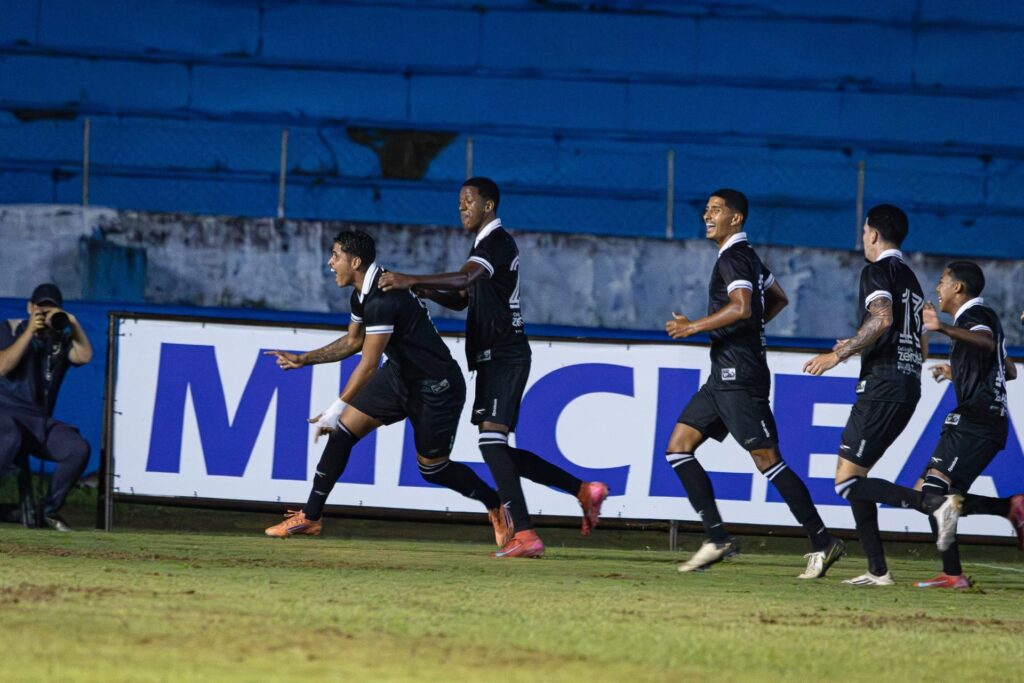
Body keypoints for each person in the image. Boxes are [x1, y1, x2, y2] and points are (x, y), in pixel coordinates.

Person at [378, 177, 608, 559]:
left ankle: (526, 534)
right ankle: (583, 490)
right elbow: (464, 297)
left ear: (489, 205)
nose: (462, 207)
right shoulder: (483, 247)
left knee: (491, 442)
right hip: (492, 355)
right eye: (459, 202)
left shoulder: (496, 243)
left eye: (468, 201)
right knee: (497, 450)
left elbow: (465, 278)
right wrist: (420, 290)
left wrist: (411, 277)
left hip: (505, 353)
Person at [263, 231, 509, 544]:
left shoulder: (382, 297)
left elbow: (367, 365)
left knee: (433, 470)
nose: (330, 263)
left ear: (354, 261)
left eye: (335, 256)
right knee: (342, 434)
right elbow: (354, 341)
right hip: (399, 376)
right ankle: (311, 517)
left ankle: (496, 504)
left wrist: (334, 409)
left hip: (437, 386)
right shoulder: (362, 294)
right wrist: (304, 359)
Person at [666, 189, 844, 577]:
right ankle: (717, 537)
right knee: (678, 448)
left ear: (737, 219)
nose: (706, 215)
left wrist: (693, 326)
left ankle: (822, 540)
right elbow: (776, 298)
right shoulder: (747, 258)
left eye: (716, 210)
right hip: (723, 375)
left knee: (767, 461)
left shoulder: (734, 257)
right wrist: (748, 331)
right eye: (706, 208)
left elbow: (744, 306)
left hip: (739, 376)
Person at [803, 204, 954, 586]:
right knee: (858, 477)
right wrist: (860, 344)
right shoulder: (913, 281)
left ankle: (932, 504)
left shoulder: (877, 271)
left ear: (872, 234)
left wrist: (839, 353)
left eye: (864, 230)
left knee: (846, 481)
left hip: (883, 384)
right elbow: (920, 349)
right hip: (906, 383)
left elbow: (882, 319)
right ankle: (877, 570)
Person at [912, 263, 1023, 587]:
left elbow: (986, 344)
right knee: (933, 496)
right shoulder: (984, 319)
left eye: (943, 281)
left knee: (933, 493)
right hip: (986, 421)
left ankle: (954, 572)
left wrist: (942, 328)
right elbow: (1009, 370)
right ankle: (1007, 510)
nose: (938, 288)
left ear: (958, 288)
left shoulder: (976, 317)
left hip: (976, 420)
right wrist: (957, 371)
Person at [0, 284, 93, 531]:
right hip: (4, 415)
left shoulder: (60, 341)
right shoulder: (9, 328)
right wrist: (29, 331)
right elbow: (3, 366)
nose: (44, 313)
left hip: (38, 422)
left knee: (77, 448)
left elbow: (84, 356)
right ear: (30, 307)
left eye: (51, 309)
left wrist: (72, 324)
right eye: (40, 308)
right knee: (8, 433)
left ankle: (46, 511)